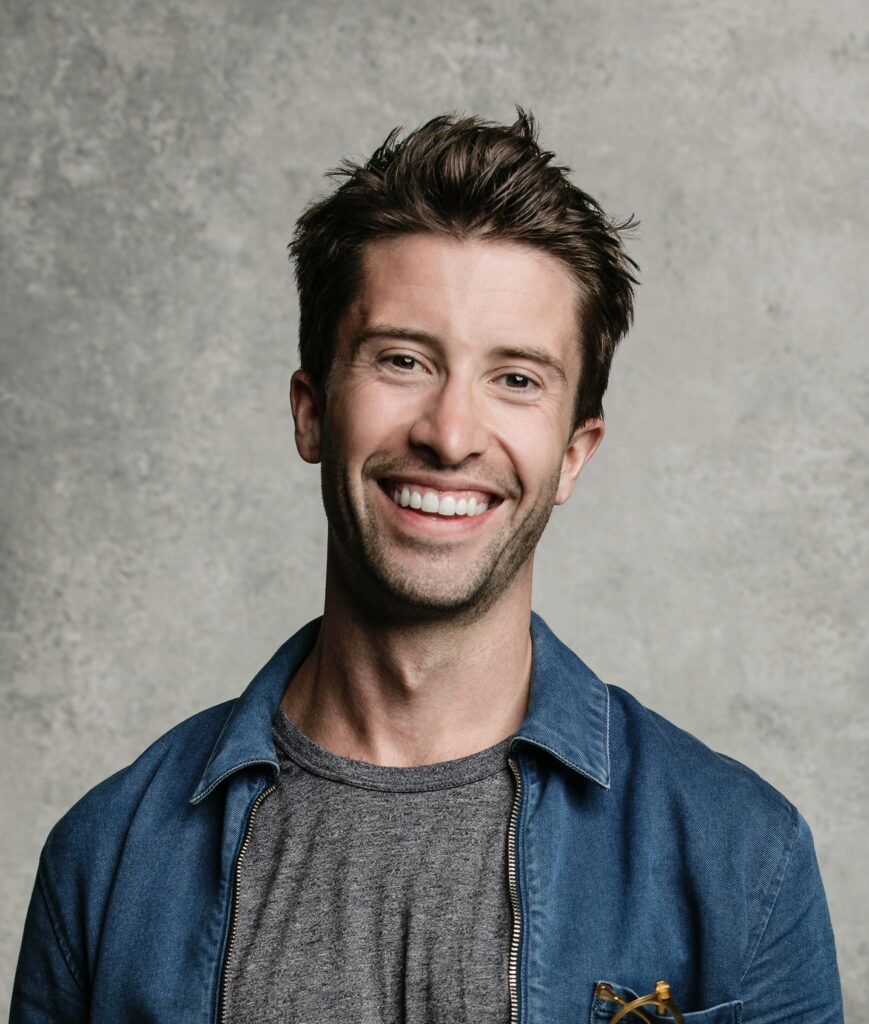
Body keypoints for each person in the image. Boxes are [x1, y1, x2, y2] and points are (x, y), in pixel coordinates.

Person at [11, 112, 843, 1024]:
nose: (449, 434)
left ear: (573, 452)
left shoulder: (740, 858)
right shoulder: (106, 861)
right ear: (311, 412)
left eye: (516, 378)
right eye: (402, 360)